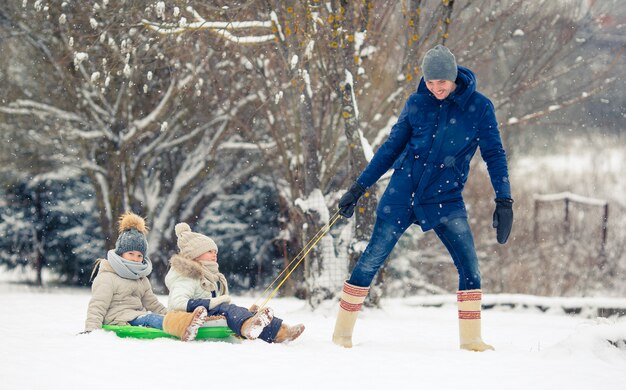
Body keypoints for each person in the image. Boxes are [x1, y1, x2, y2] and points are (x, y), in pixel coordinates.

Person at [333, 45, 513, 351]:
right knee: (370, 260)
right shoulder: (417, 104)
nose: (435, 87)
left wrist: (504, 199)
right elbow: (391, 149)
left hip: (445, 198)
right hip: (402, 194)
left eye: (441, 81)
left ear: (454, 75)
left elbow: (494, 154)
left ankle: (471, 341)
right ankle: (341, 335)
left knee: (470, 266)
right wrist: (358, 188)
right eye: (430, 82)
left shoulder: (480, 108)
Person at [165, 222, 305, 343]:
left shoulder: (209, 276)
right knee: (229, 310)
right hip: (191, 317)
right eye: (209, 251)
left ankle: (280, 331)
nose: (214, 254)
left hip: (208, 312)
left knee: (238, 311)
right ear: (194, 254)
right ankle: (248, 326)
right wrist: (211, 303)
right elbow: (176, 303)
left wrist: (216, 304)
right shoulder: (187, 276)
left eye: (215, 251)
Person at [84, 212, 208, 341]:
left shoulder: (141, 279)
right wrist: (91, 330)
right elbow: (98, 305)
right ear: (120, 253)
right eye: (131, 253)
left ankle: (188, 321)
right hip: (118, 320)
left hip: (138, 316)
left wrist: (170, 314)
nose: (135, 259)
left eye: (139, 256)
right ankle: (184, 326)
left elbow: (153, 304)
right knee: (150, 318)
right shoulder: (107, 277)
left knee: (153, 317)